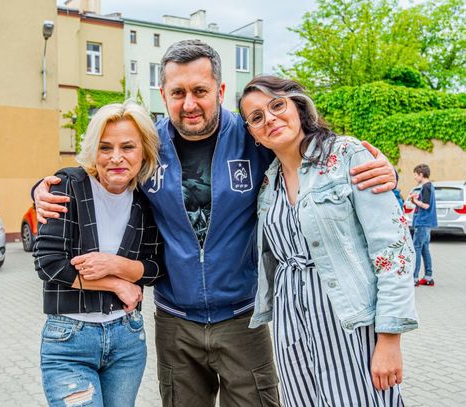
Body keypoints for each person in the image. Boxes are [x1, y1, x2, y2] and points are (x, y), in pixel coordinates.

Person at [33, 40, 398, 407]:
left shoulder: (253, 135)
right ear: (163, 93)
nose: (189, 104)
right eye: (178, 93)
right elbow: (102, 172)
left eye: (200, 91)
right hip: (175, 322)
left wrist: (376, 169)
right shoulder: (148, 144)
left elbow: (304, 153)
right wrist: (43, 189)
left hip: (243, 318)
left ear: (220, 91)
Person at [239, 75, 418, 406]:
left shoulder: (347, 155)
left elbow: (393, 249)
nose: (270, 119)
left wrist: (390, 338)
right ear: (253, 134)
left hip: (349, 321)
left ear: (298, 106)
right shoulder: (268, 183)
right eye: (257, 117)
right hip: (291, 326)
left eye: (277, 105)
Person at [33, 101, 164, 407]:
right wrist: (116, 284)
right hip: (69, 340)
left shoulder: (146, 201)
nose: (116, 157)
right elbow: (48, 263)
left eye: (127, 147)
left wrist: (114, 264)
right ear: (94, 150)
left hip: (127, 339)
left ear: (143, 152)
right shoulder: (68, 186)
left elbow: (156, 266)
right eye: (105, 147)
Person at [410, 163, 438, 286]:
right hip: (427, 223)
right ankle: (428, 277)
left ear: (421, 174)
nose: (415, 177)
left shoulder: (426, 187)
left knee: (416, 248)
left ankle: (414, 278)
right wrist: (416, 201)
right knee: (424, 249)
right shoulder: (430, 186)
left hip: (422, 222)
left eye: (415, 175)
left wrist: (415, 200)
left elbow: (426, 205)